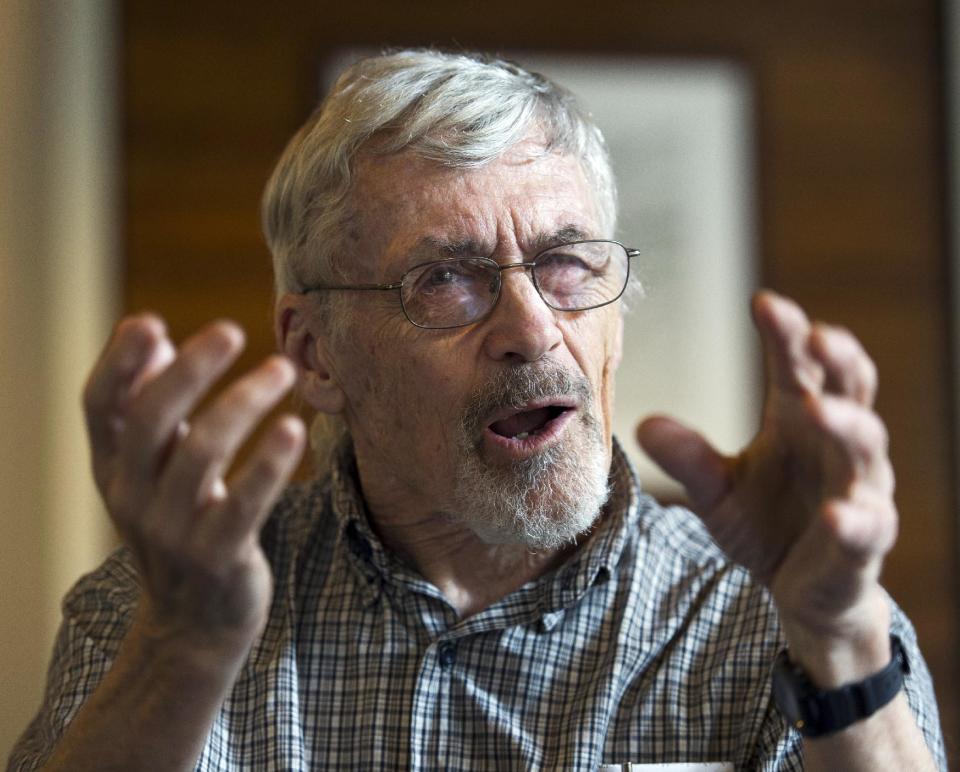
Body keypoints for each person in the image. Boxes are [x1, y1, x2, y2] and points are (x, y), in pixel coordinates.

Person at [8, 49, 946, 771]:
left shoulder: (791, 622)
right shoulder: (160, 617)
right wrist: (184, 649)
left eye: (566, 263)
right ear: (314, 354)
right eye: (446, 280)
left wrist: (838, 636)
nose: (533, 330)